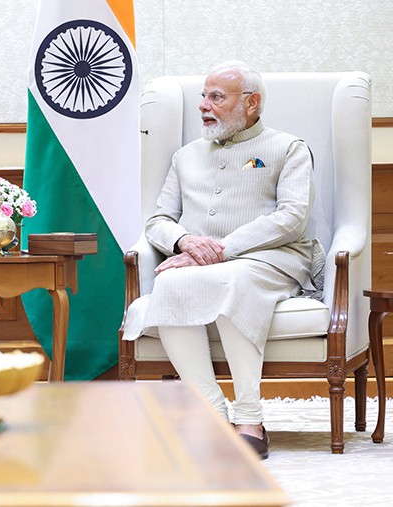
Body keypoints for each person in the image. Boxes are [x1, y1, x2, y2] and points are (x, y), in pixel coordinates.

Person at [123, 61, 318, 459]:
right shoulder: (185, 156)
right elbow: (159, 220)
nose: (203, 105)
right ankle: (211, 412)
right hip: (198, 264)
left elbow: (291, 217)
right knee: (169, 283)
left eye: (216, 97)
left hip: (271, 259)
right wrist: (184, 241)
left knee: (234, 278)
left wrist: (222, 250)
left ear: (251, 103)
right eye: (203, 96)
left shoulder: (288, 148)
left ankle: (250, 417)